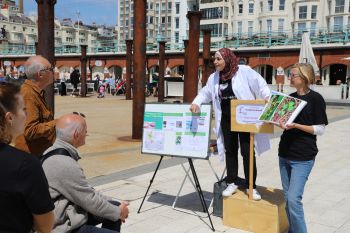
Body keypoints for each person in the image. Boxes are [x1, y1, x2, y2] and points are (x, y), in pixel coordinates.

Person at [190, 48, 271, 200]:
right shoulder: (214, 77)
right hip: (226, 119)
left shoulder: (244, 71)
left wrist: (267, 96)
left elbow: (260, 84)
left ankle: (251, 185)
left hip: (245, 118)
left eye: (218, 59)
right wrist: (197, 102)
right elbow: (205, 93)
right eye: (214, 59)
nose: (215, 62)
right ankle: (232, 181)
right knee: (230, 150)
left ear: (227, 59)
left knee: (247, 151)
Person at [42, 113, 129, 232]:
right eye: (85, 131)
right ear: (76, 134)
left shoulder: (52, 150)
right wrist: (119, 212)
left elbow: (86, 190)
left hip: (68, 212)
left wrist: (117, 208)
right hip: (62, 226)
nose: (86, 134)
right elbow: (89, 200)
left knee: (113, 206)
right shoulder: (64, 164)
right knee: (113, 212)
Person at [278, 63, 328, 233]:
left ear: (304, 77)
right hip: (284, 154)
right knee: (287, 199)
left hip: (303, 157)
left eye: (293, 75)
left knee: (293, 200)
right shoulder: (290, 98)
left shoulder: (316, 99)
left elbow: (320, 129)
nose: (290, 78)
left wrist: (297, 125)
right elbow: (284, 123)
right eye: (290, 74)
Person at [0, 82, 54, 233]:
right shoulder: (25, 164)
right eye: (23, 109)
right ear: (9, 117)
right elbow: (45, 226)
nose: (27, 114)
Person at [15, 55, 57, 156]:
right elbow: (30, 131)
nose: (53, 71)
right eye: (50, 69)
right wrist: (58, 123)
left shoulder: (34, 92)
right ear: (40, 74)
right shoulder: (29, 95)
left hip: (37, 155)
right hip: (33, 158)